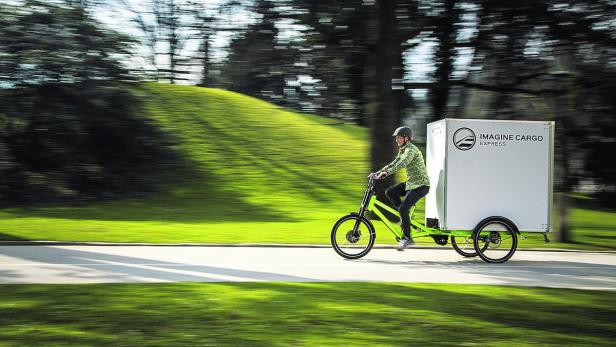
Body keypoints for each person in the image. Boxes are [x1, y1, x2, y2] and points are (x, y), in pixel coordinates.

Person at [374, 126, 430, 250]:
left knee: (404, 208)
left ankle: (407, 238)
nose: (396, 140)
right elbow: (395, 162)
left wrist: (387, 173)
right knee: (390, 192)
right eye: (396, 138)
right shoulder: (403, 149)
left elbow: (402, 163)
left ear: (406, 138)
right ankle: (405, 220)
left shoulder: (411, 150)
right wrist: (379, 171)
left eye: (399, 137)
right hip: (411, 184)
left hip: (421, 185)